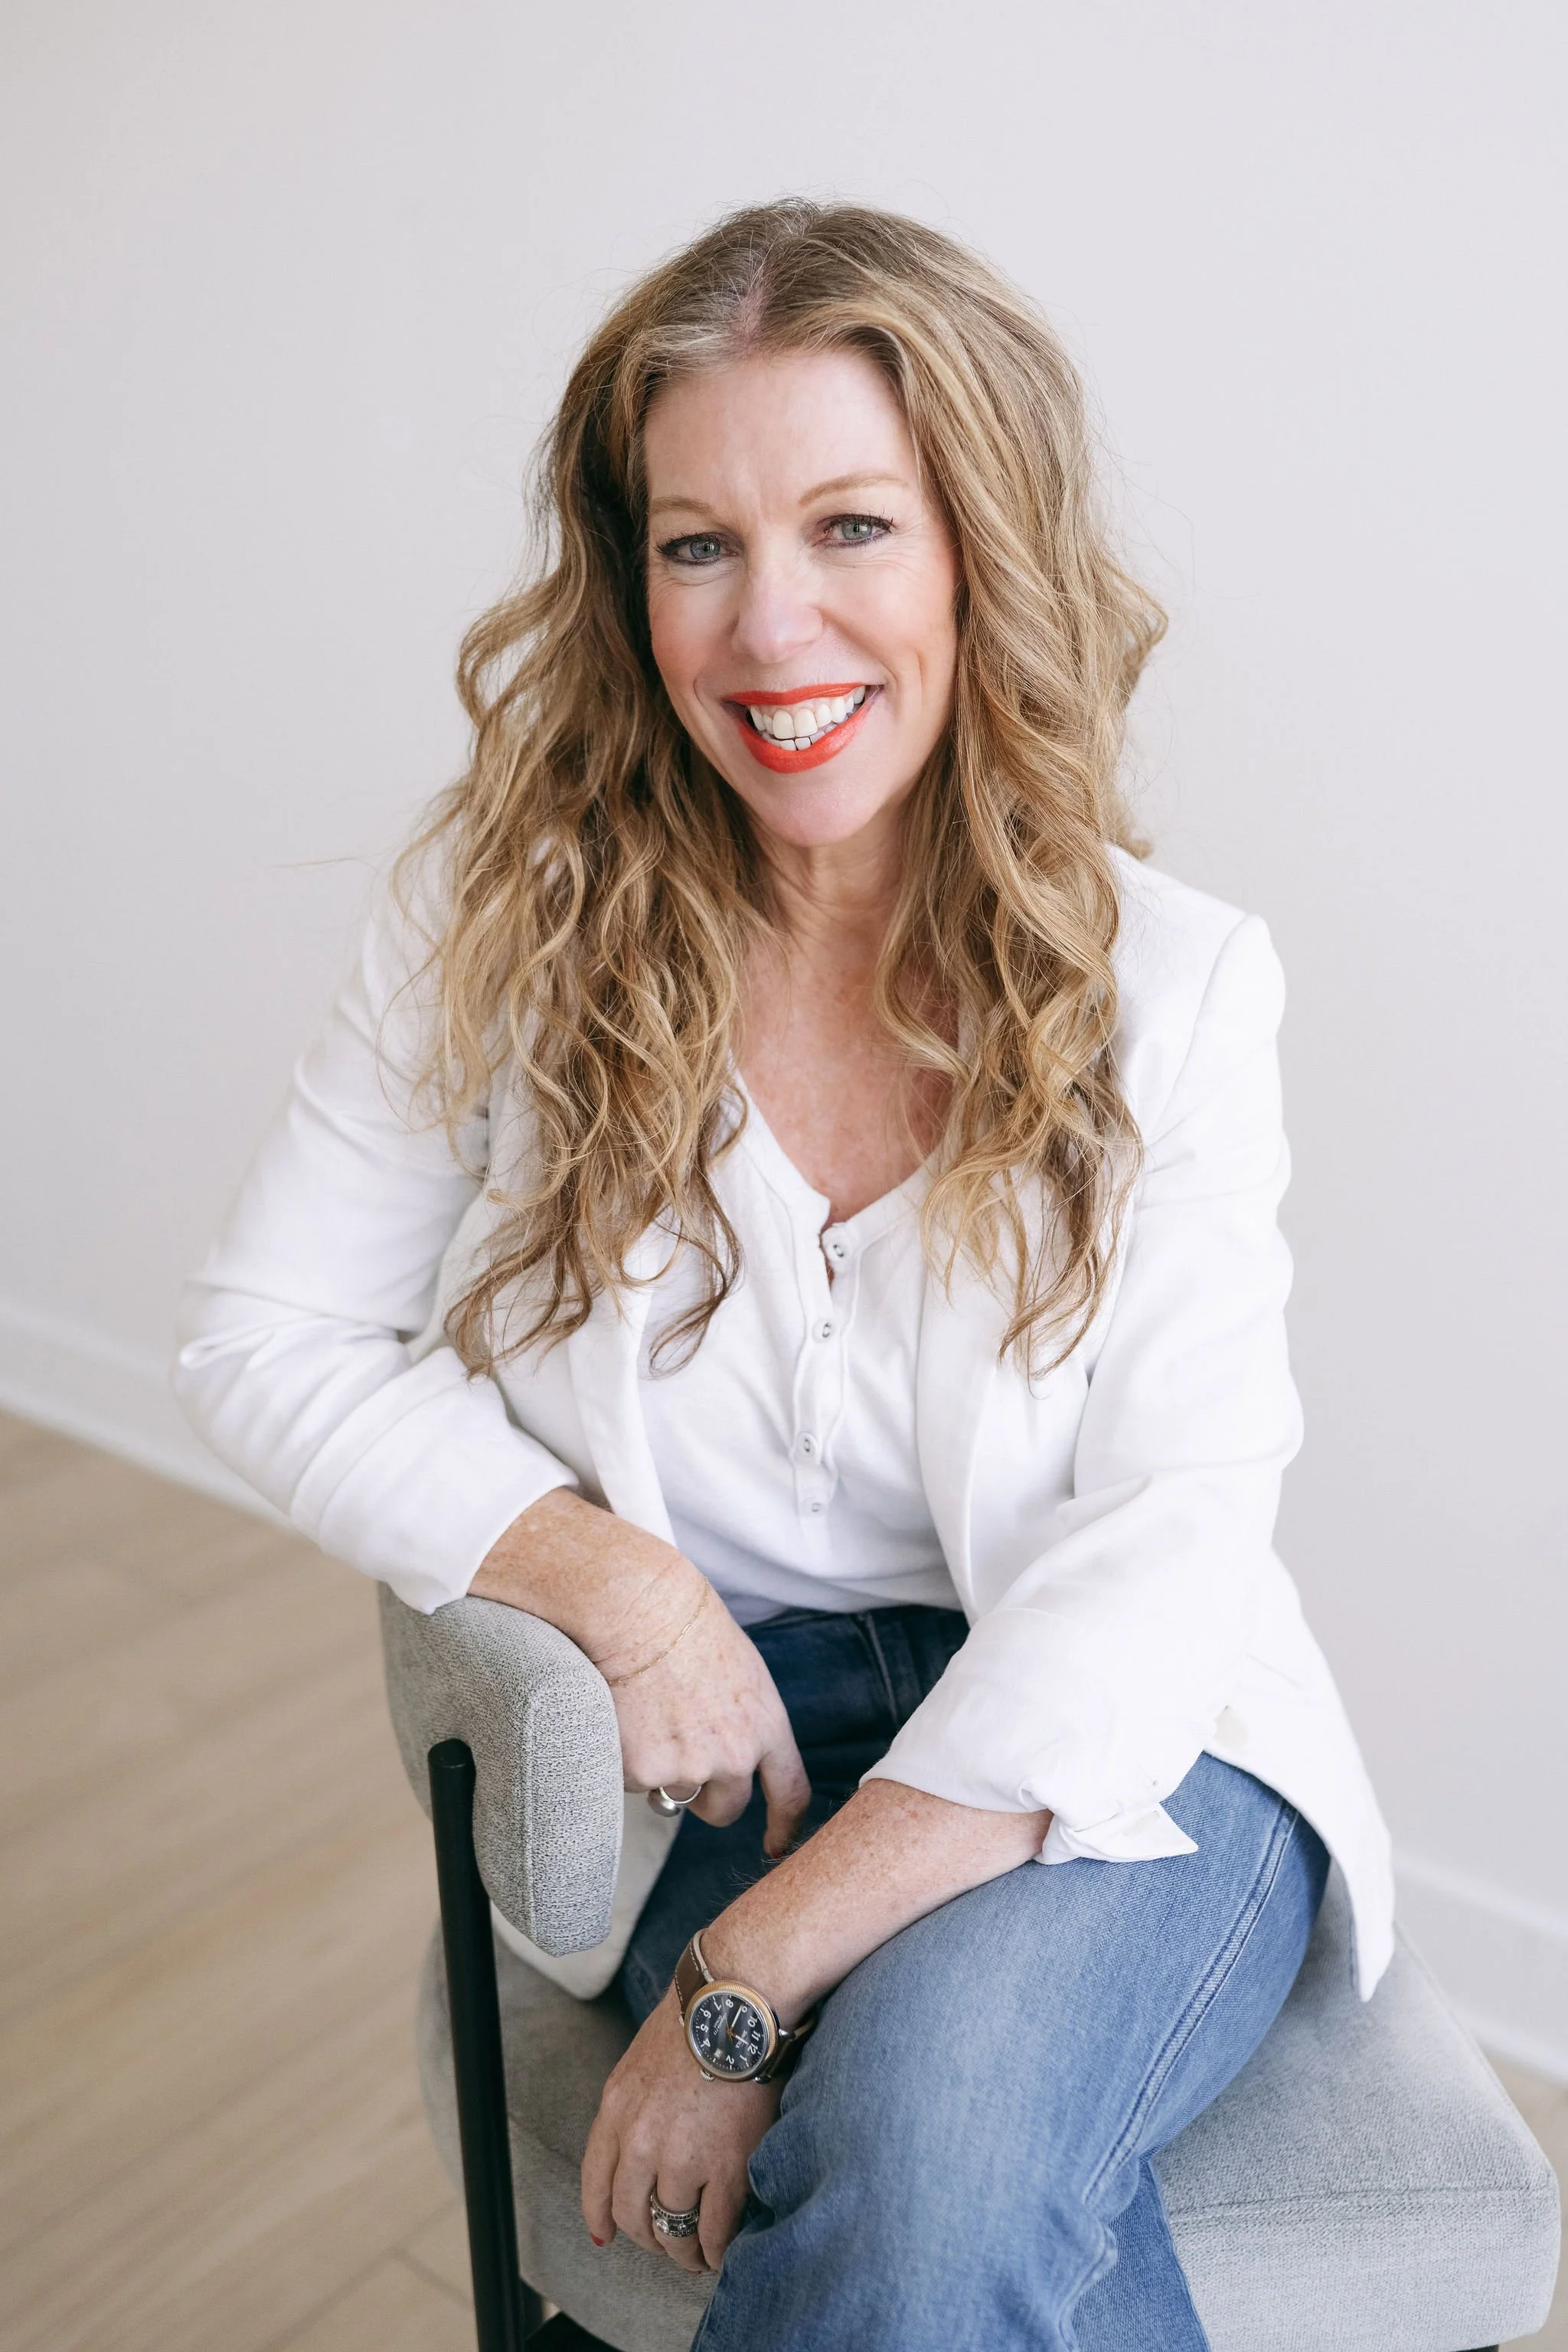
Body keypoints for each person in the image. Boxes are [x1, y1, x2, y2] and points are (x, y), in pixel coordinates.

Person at [175, 199, 1393, 2350]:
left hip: (1130, 1745)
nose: (769, 630)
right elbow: (263, 1337)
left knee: (918, 2169)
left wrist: (743, 1985)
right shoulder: (509, 915)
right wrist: (610, 1582)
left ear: (975, 553)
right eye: (697, 546)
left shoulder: (1177, 993)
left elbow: (1168, 1545)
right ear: (627, 574)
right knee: (953, 2213)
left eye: (849, 525)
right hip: (726, 1749)